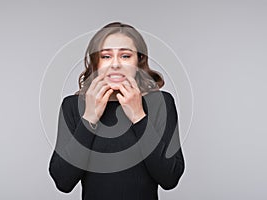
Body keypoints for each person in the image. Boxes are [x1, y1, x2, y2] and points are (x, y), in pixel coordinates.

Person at [48, 22, 185, 200]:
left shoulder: (160, 103)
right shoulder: (73, 106)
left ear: (138, 61)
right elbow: (63, 181)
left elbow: (170, 178)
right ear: (96, 63)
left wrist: (138, 116)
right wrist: (90, 117)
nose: (115, 64)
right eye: (106, 56)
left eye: (125, 56)